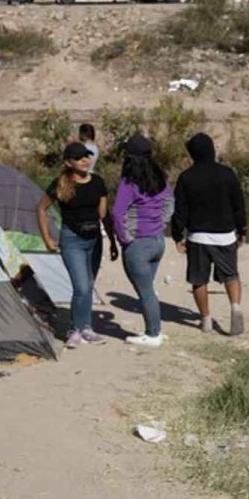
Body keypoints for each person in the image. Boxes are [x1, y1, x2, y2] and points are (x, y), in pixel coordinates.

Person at [37, 142, 113, 348]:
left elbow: (103, 214)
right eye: (80, 158)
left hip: (94, 240)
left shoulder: (98, 182)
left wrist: (113, 240)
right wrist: (47, 238)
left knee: (88, 286)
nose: (85, 161)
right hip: (72, 240)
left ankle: (86, 327)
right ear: (69, 162)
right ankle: (74, 330)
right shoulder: (60, 184)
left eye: (87, 157)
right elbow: (41, 209)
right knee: (80, 286)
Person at [171, 133, 247, 336]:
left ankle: (205, 319)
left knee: (199, 280)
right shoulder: (227, 174)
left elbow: (180, 211)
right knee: (231, 275)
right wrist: (242, 229)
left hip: (198, 237)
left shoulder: (186, 177)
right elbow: (238, 204)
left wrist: (177, 235)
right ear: (212, 150)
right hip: (225, 235)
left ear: (192, 154)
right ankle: (235, 307)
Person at [111, 135, 174, 347]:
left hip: (138, 244)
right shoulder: (160, 178)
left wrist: (124, 239)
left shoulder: (128, 183)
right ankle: (155, 328)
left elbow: (118, 214)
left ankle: (153, 333)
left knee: (145, 291)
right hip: (157, 241)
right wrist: (160, 225)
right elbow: (170, 203)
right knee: (148, 289)